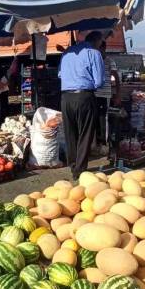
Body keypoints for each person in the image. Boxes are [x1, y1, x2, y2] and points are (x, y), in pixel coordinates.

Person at [59, 31, 106, 179]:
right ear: (98, 42)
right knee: (85, 133)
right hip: (84, 96)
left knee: (70, 132)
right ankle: (79, 170)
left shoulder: (66, 52)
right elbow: (98, 81)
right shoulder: (94, 53)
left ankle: (73, 165)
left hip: (66, 97)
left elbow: (60, 75)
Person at [93, 40, 121, 155]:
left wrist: (118, 94)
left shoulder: (110, 61)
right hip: (93, 94)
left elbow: (117, 78)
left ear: (104, 48)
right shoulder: (93, 61)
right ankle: (95, 144)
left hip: (104, 95)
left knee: (103, 119)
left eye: (99, 48)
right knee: (94, 119)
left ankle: (104, 145)